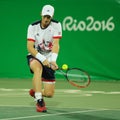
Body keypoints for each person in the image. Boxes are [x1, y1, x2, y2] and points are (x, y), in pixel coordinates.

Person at [26, 4, 62, 112]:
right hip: (35, 55)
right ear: (41, 14)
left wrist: (53, 60)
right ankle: (39, 101)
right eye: (45, 16)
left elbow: (56, 44)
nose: (46, 19)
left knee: (49, 94)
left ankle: (36, 91)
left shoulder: (56, 25)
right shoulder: (32, 27)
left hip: (49, 58)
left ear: (52, 16)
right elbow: (30, 47)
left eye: (49, 17)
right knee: (38, 69)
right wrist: (42, 59)